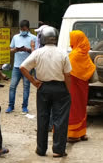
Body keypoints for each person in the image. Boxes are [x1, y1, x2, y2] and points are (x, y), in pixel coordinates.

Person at [20, 26, 72, 158]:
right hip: (60, 88)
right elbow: (67, 75)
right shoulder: (62, 53)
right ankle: (58, 150)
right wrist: (69, 91)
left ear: (42, 38)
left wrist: (34, 81)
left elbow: (23, 67)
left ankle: (41, 149)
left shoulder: (37, 52)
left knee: (43, 118)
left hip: (43, 88)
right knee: (60, 119)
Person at [67, 30, 96, 142]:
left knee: (73, 109)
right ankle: (82, 133)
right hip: (83, 86)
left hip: (73, 86)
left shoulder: (74, 55)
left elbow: (67, 71)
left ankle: (73, 134)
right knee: (82, 108)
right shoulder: (85, 53)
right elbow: (91, 68)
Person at [6, 19, 36, 114]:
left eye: (24, 29)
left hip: (28, 66)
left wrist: (28, 49)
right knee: (12, 86)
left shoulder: (33, 38)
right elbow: (10, 49)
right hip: (16, 66)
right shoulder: (16, 37)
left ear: (28, 28)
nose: (22, 31)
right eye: (21, 29)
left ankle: (25, 107)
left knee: (26, 87)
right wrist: (16, 49)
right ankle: (11, 106)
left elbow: (36, 52)